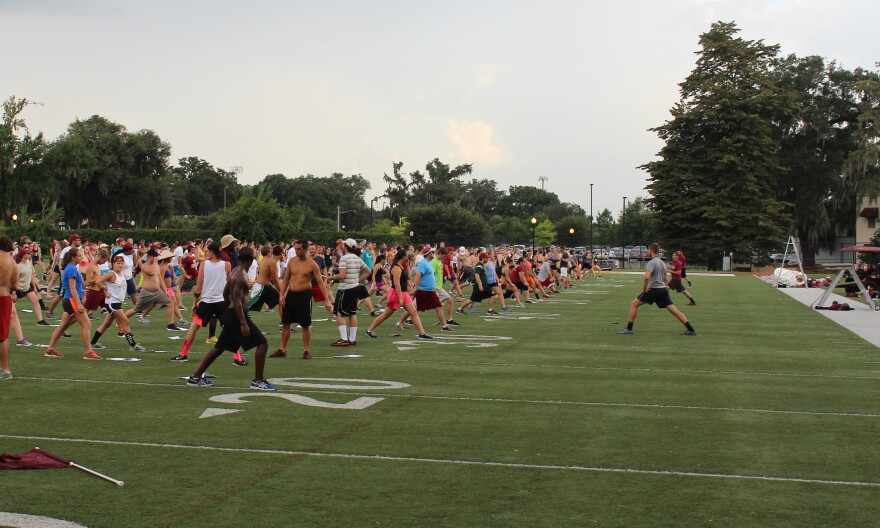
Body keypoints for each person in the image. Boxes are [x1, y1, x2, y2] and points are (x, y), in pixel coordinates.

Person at [185, 247, 275, 390]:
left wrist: (229, 309)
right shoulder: (241, 275)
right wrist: (243, 323)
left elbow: (226, 292)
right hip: (237, 316)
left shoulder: (236, 271)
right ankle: (258, 381)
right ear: (252, 260)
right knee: (262, 344)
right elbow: (236, 300)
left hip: (233, 315)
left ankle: (195, 377)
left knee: (219, 348)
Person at [170, 242, 232, 363]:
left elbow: (198, 286)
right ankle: (238, 358)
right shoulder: (227, 264)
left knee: (194, 327)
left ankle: (183, 354)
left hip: (207, 302)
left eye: (207, 252)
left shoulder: (204, 264)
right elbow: (230, 284)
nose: (206, 254)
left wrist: (195, 302)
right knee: (230, 328)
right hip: (221, 302)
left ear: (212, 252)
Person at [617, 243, 697, 336]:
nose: (647, 252)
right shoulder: (662, 263)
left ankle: (629, 329)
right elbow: (665, 278)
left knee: (634, 304)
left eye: (648, 250)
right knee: (674, 310)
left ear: (651, 250)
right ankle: (691, 330)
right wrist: (666, 288)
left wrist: (644, 290)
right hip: (662, 290)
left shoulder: (651, 262)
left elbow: (646, 277)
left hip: (654, 290)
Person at [274, 239, 333, 359]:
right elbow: (286, 279)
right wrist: (281, 294)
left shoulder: (312, 264)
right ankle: (282, 349)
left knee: (305, 324)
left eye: (299, 249)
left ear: (305, 249)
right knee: (286, 323)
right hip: (291, 294)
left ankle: (306, 351)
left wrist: (327, 300)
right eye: (295, 249)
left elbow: (321, 283)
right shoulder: (292, 261)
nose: (296, 251)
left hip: (304, 295)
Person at [43, 247, 103, 359]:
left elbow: (78, 285)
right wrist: (79, 303)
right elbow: (72, 287)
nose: (81, 257)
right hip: (71, 300)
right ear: (73, 257)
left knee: (63, 326)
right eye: (79, 256)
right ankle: (88, 352)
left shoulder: (73, 268)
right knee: (86, 324)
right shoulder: (71, 269)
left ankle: (50, 349)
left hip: (70, 300)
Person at [364, 248, 433, 340]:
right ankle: (369, 330)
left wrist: (408, 266)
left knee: (413, 312)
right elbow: (396, 284)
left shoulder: (401, 266)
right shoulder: (396, 267)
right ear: (403, 256)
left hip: (403, 293)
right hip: (397, 293)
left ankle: (422, 333)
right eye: (406, 256)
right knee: (386, 314)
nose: (408, 257)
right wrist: (400, 298)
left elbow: (408, 277)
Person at [88, 255, 146, 352]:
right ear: (113, 264)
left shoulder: (122, 273)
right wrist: (104, 291)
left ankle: (93, 343)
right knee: (125, 322)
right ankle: (133, 345)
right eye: (118, 263)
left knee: (106, 324)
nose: (120, 265)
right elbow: (98, 281)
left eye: (122, 263)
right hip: (112, 303)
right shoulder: (111, 274)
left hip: (118, 303)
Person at [326, 238, 371, 347]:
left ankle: (344, 339)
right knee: (352, 313)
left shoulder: (344, 258)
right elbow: (368, 271)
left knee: (338, 314)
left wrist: (330, 277)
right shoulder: (357, 258)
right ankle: (352, 339)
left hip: (345, 289)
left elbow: (341, 275)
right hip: (355, 288)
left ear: (346, 246)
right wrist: (358, 280)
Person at [412, 246, 454, 332]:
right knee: (413, 308)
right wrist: (416, 287)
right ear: (428, 254)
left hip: (430, 291)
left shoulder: (428, 262)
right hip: (423, 290)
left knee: (438, 306)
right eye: (432, 252)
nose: (433, 254)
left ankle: (444, 326)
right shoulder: (423, 263)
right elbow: (418, 275)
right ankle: (401, 321)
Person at [0, 236, 17, 379]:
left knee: (1, 337)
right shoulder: (13, 262)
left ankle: (5, 370)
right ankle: (5, 369)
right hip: (5, 298)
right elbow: (15, 286)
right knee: (3, 336)